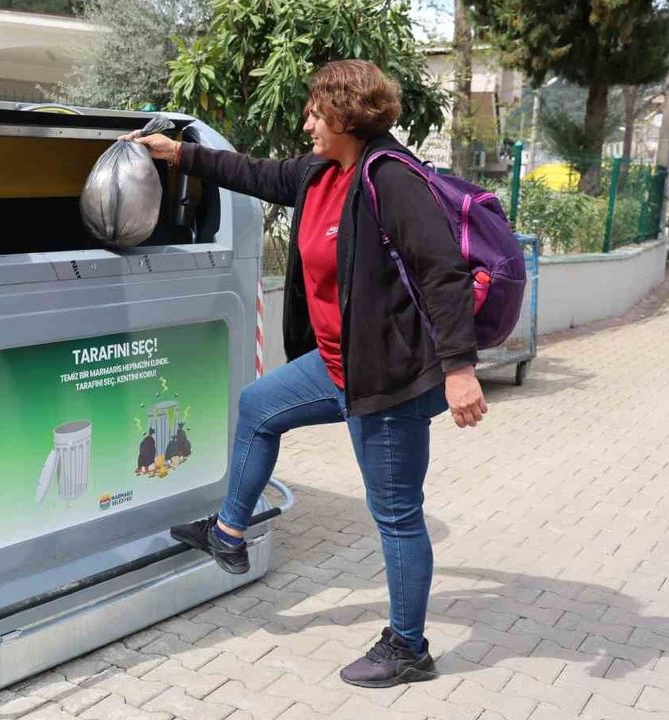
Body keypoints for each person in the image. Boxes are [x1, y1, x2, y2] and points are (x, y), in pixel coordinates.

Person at [124, 59, 488, 689]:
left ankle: (408, 647)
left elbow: (443, 274)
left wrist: (459, 369)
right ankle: (229, 533)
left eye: (316, 113)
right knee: (259, 405)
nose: (307, 123)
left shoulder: (391, 179)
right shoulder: (320, 172)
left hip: (388, 380)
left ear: (346, 116)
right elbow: (253, 172)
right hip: (337, 366)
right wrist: (178, 153)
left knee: (397, 515)